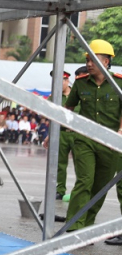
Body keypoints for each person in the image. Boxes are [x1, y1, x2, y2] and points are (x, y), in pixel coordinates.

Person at [62, 40, 122, 234]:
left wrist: (120, 132)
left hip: (110, 142)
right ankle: (73, 225)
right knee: (85, 180)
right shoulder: (80, 83)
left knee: (101, 186)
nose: (89, 64)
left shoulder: (119, 83)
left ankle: (86, 225)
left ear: (106, 62)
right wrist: (68, 123)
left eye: (93, 60)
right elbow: (69, 108)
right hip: (85, 139)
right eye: (88, 59)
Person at [43, 71, 75, 199]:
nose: (57, 83)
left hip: (77, 134)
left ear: (67, 81)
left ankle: (83, 191)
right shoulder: (53, 97)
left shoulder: (76, 94)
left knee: (82, 164)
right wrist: (50, 136)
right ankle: (60, 189)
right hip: (60, 133)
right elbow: (51, 118)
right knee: (60, 163)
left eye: (61, 80)